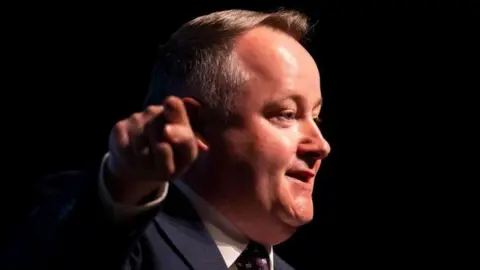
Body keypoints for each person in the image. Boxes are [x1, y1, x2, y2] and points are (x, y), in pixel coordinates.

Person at [5, 8, 330, 270]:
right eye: (286, 115)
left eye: (315, 118)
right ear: (197, 124)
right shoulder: (116, 239)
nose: (321, 145)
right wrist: (124, 181)